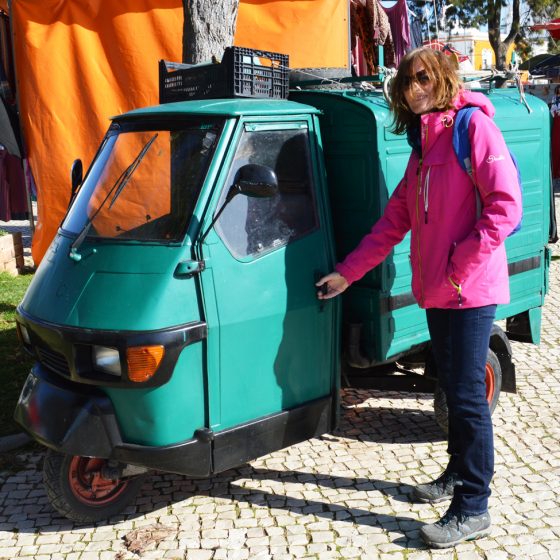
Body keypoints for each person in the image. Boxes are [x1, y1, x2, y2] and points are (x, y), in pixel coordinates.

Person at [316, 47, 522, 549]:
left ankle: (474, 506)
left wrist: (458, 268)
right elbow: (392, 222)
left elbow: (506, 207)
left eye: (423, 78)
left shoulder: (474, 128)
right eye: (407, 81)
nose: (414, 88)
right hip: (437, 292)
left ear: (445, 79)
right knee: (453, 389)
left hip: (469, 292)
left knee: (469, 398)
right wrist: (346, 273)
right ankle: (456, 475)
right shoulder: (423, 147)